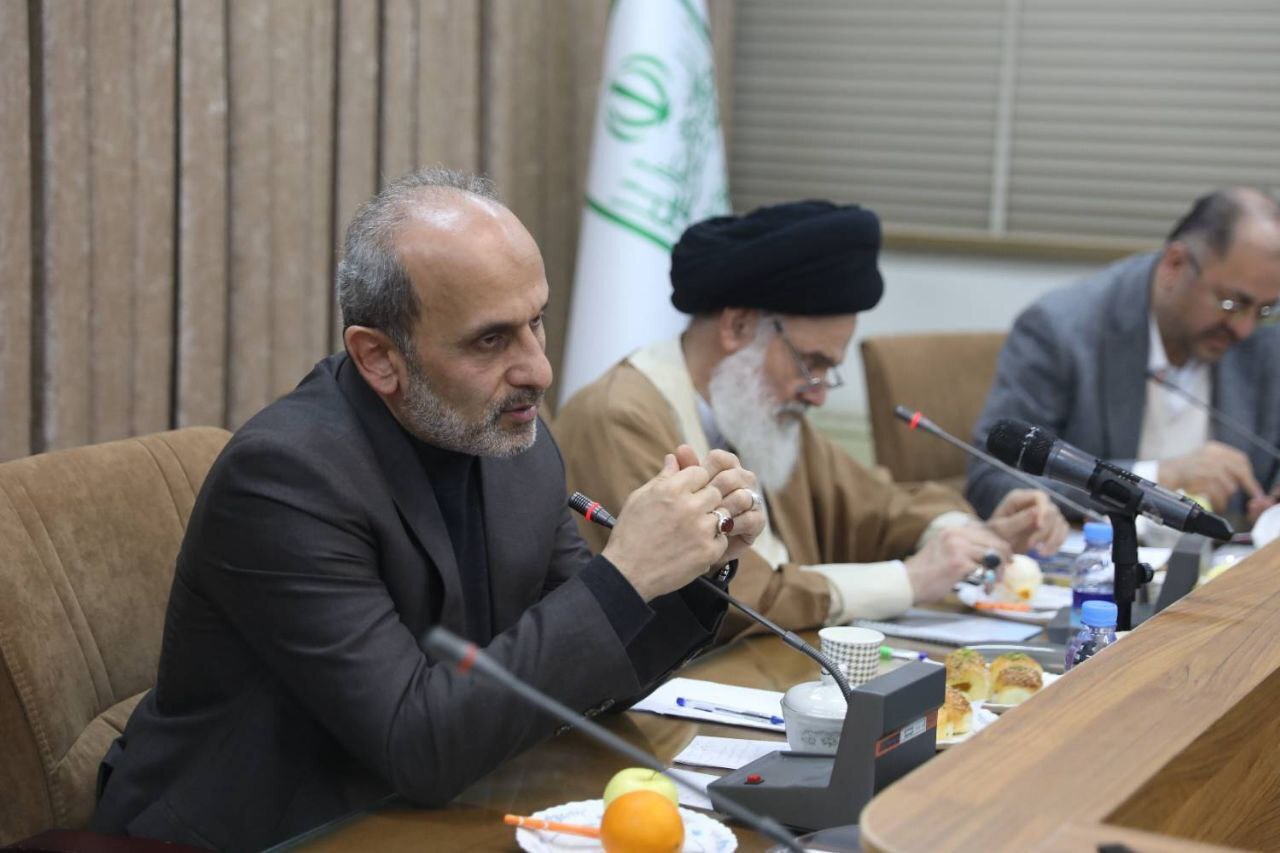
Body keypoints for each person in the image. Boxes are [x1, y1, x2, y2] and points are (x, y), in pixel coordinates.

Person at [92, 168, 766, 851]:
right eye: (490, 340)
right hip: (267, 830)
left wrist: (685, 567)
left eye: (536, 321)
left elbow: (581, 677)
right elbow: (416, 744)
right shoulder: (284, 481)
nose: (539, 370)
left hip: (429, 809)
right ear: (379, 357)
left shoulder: (515, 444)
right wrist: (622, 575)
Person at [554, 200, 1067, 635]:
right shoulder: (620, 418)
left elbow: (879, 507)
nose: (818, 395)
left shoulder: (762, 413)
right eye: (811, 363)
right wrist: (909, 580)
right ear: (737, 326)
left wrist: (970, 536)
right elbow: (722, 598)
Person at [967, 189, 1280, 524]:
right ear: (1175, 265)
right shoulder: (1060, 330)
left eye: (1265, 309)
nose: (1244, 328)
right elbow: (993, 478)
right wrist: (1157, 477)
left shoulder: (1263, 337)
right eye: (1232, 304)